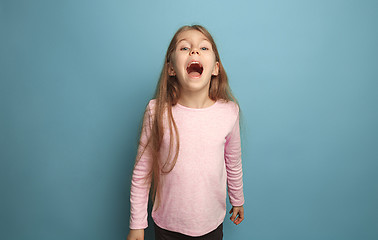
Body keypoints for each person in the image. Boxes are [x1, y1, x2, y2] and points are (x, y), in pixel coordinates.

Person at [127, 24, 245, 240]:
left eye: (203, 48)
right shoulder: (156, 111)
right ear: (171, 68)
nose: (194, 51)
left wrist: (237, 199)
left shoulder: (229, 112)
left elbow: (233, 162)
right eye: (184, 48)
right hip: (167, 227)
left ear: (216, 68)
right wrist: (137, 224)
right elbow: (142, 173)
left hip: (211, 225)